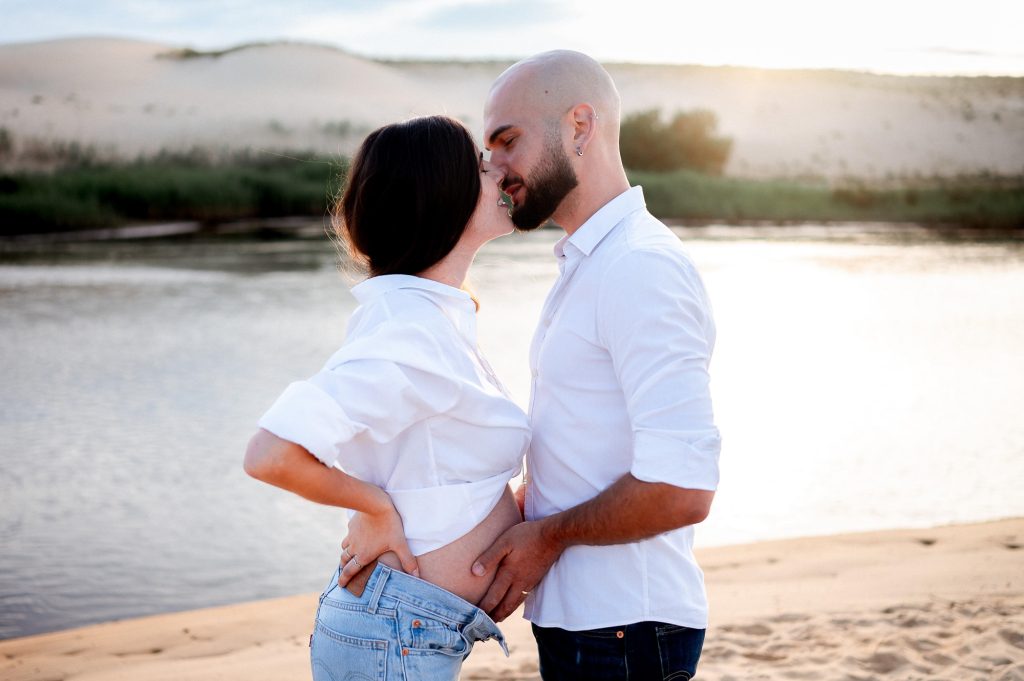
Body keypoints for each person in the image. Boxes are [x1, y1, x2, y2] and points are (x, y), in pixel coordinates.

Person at [243, 115, 531, 681]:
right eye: (479, 165)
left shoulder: (430, 316)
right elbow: (271, 454)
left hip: (403, 631)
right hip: (393, 636)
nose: (499, 170)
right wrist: (374, 508)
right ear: (440, 194)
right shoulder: (408, 331)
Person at [469, 50, 722, 680]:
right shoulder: (593, 262)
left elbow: (683, 488)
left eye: (508, 141)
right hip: (592, 623)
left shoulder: (640, 267)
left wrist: (546, 537)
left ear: (580, 126)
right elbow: (587, 446)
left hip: (624, 627)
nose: (494, 168)